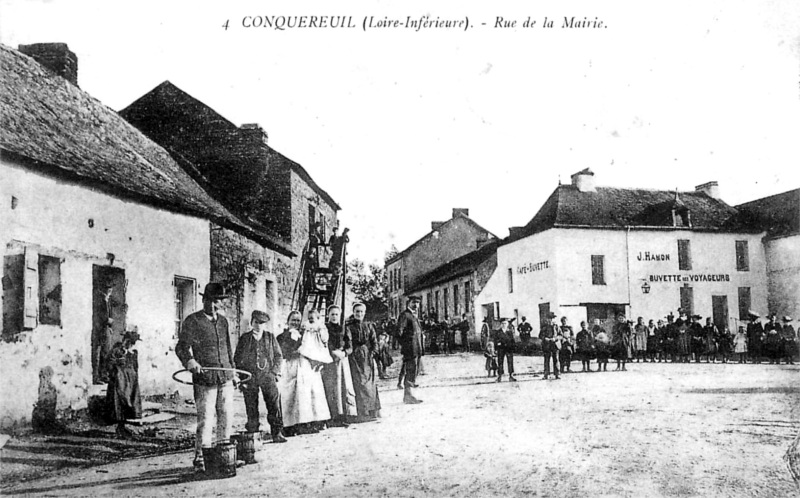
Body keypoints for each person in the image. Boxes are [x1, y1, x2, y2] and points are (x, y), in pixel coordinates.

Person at [175, 283, 235, 473]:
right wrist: (190, 361)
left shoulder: (224, 322)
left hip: (225, 375)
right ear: (204, 300)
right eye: (210, 301)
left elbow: (228, 349)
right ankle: (201, 458)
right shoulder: (193, 321)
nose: (214, 305)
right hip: (205, 378)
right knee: (206, 419)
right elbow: (181, 347)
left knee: (226, 415)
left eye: (217, 301)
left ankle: (223, 456)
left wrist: (232, 370)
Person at [233, 310, 287, 448]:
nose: (258, 326)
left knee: (273, 404)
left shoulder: (270, 337)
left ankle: (277, 432)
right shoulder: (245, 338)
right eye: (256, 322)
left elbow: (278, 356)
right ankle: (253, 434)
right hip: (249, 376)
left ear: (265, 325)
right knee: (251, 405)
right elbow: (237, 358)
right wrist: (241, 376)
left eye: (262, 323)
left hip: (267, 376)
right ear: (252, 323)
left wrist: (274, 372)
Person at [278, 310, 332, 436]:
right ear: (288, 321)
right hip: (291, 366)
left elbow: (316, 346)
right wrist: (294, 351)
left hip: (305, 366)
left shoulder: (306, 333)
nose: (295, 322)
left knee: (306, 395)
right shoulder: (282, 336)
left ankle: (308, 423)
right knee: (290, 396)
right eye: (293, 320)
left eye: (298, 320)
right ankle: (290, 425)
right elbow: (281, 352)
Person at [321, 305, 357, 426]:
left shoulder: (344, 328)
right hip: (329, 361)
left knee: (343, 387)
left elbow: (350, 345)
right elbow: (324, 343)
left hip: (342, 360)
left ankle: (343, 415)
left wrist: (345, 352)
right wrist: (332, 352)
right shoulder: (324, 328)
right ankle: (332, 417)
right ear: (328, 315)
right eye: (332, 314)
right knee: (331, 388)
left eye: (336, 314)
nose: (334, 317)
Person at [346, 303, 382, 420]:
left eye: (361, 312)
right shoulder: (349, 327)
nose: (359, 314)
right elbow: (349, 341)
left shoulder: (369, 326)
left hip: (367, 356)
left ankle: (373, 410)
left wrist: (372, 353)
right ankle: (363, 412)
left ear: (364, 313)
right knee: (359, 382)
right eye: (357, 311)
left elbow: (374, 341)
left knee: (370, 383)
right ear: (353, 312)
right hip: (355, 356)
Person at [106, 329, 142, 437]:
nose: (130, 344)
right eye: (129, 342)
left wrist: (135, 377)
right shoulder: (117, 350)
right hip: (119, 380)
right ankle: (119, 427)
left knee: (130, 402)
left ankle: (123, 427)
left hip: (131, 381)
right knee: (119, 402)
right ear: (125, 340)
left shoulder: (134, 353)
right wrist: (116, 370)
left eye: (132, 343)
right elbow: (109, 363)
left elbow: (136, 367)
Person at [397, 295, 424, 404]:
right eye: (414, 302)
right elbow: (398, 332)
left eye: (418, 303)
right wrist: (406, 345)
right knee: (410, 371)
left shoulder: (413, 316)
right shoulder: (405, 315)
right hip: (410, 349)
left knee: (414, 371)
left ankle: (409, 395)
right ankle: (408, 396)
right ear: (409, 303)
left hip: (416, 348)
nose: (416, 305)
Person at [539, 312, 561, 380]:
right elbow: (540, 335)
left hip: (555, 345)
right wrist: (545, 338)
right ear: (547, 319)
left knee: (556, 359)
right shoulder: (544, 327)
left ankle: (557, 374)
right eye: (549, 319)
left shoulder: (557, 327)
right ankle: (546, 374)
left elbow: (561, 335)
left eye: (552, 318)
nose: (551, 320)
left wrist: (556, 338)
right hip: (547, 345)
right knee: (546, 360)